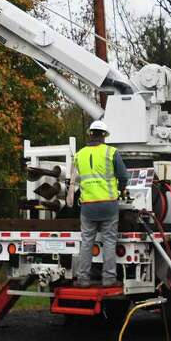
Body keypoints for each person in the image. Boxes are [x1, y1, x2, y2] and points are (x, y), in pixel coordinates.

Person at [69, 120, 129, 288]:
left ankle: (82, 279)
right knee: (109, 241)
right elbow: (123, 177)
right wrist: (121, 190)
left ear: (90, 134)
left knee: (87, 241)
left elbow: (75, 179)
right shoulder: (111, 152)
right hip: (108, 205)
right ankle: (109, 279)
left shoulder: (79, 154)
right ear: (104, 136)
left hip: (88, 206)